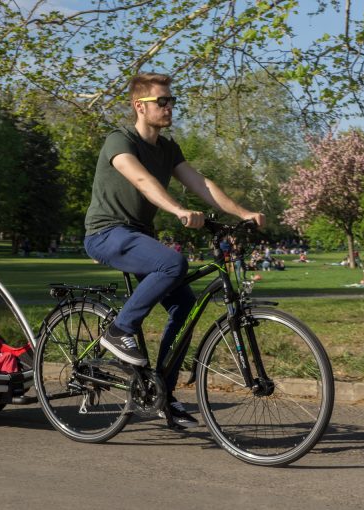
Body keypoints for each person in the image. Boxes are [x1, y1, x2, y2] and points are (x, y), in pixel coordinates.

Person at [83, 72, 265, 430]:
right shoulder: (120, 140)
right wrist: (178, 210)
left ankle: (161, 393)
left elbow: (202, 184)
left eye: (172, 101)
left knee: (184, 304)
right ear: (140, 106)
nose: (169, 108)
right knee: (173, 263)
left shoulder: (168, 149)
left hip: (138, 236)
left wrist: (242, 213)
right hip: (107, 233)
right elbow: (141, 179)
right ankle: (119, 330)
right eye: (162, 102)